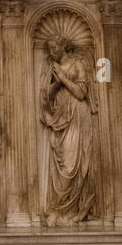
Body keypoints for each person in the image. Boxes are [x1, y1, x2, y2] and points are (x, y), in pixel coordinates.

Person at [40, 36, 98, 225]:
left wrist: (63, 79)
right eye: (48, 49)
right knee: (62, 164)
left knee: (72, 165)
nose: (51, 52)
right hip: (60, 117)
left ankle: (70, 210)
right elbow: (46, 95)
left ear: (63, 47)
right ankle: (58, 209)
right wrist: (56, 83)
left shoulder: (77, 64)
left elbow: (82, 93)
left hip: (77, 116)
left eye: (53, 47)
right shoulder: (52, 68)